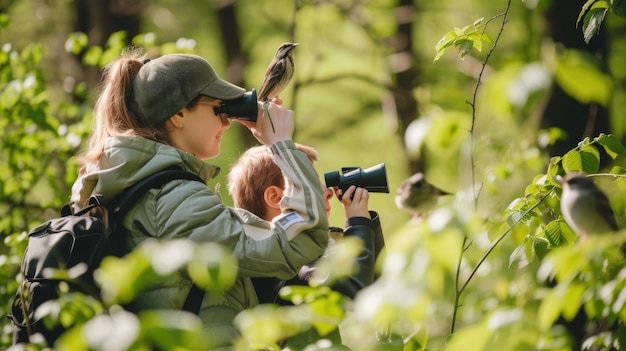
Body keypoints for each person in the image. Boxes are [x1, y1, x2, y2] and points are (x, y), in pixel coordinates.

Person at [69, 48, 329, 350]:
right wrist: (283, 146)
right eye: (219, 109)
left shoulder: (135, 186)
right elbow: (297, 244)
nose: (227, 123)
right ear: (178, 114)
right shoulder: (174, 196)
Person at [227, 143, 385, 346]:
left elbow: (378, 285)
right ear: (276, 198)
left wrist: (366, 224)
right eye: (309, 181)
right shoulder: (279, 257)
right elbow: (352, 293)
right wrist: (358, 224)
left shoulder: (282, 249)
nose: (326, 190)